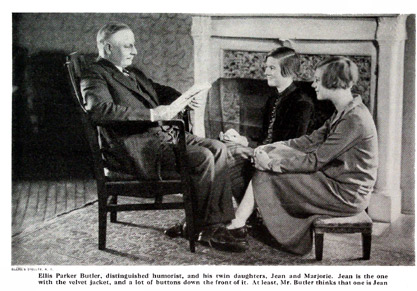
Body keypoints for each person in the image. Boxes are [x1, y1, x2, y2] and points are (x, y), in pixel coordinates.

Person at [80, 22, 245, 252]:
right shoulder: (94, 75)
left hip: (162, 137)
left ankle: (208, 224)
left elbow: (159, 91)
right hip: (137, 148)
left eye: (133, 45)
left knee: (219, 148)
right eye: (128, 46)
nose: (135, 51)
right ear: (107, 49)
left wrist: (186, 98)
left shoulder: (132, 72)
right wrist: (151, 113)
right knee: (203, 157)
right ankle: (208, 228)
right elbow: (101, 111)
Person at [212, 56, 378, 255]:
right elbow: (308, 141)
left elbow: (315, 160)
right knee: (265, 168)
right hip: (334, 182)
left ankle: (239, 224)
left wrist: (271, 163)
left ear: (333, 82)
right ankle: (240, 222)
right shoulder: (344, 111)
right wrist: (271, 148)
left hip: (347, 194)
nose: (313, 84)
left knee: (265, 173)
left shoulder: (354, 119)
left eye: (317, 79)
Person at [221, 47, 316, 202]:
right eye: (266, 67)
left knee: (227, 159)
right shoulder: (273, 99)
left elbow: (292, 148)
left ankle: (251, 213)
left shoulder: (302, 103)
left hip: (279, 161)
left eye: (272, 68)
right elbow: (265, 136)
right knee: (223, 151)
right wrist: (241, 139)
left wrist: (253, 151)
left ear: (288, 70)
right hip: (263, 152)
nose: (266, 72)